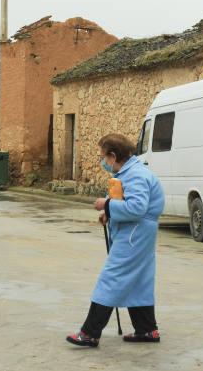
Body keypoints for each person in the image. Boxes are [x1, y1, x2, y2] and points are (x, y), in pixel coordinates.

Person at [66, 133, 165, 347]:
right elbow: (128, 201)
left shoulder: (136, 175)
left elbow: (137, 208)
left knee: (111, 278)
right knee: (139, 281)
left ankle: (90, 333)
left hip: (134, 235)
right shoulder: (130, 172)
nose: (102, 161)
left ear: (112, 156)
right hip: (137, 233)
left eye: (103, 157)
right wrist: (110, 213)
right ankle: (147, 330)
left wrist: (107, 205)